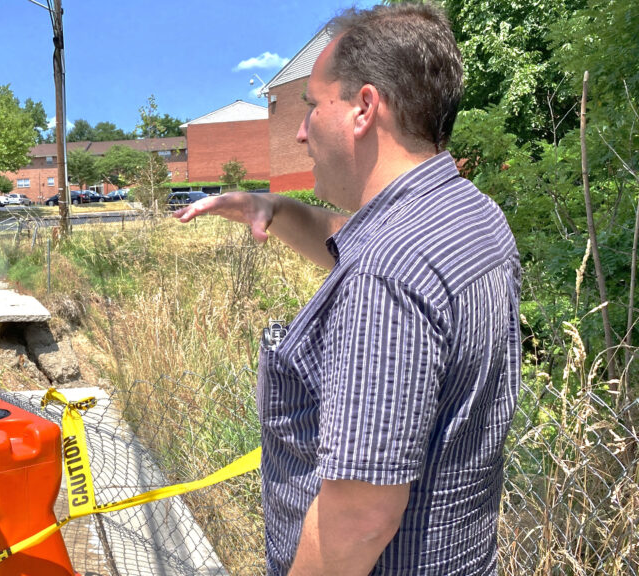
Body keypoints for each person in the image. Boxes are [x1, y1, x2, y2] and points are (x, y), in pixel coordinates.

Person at [176, 4, 520, 575]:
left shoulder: (385, 276)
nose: (300, 129)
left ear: (363, 108)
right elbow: (353, 241)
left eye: (313, 106)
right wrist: (276, 207)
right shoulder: (469, 214)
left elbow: (359, 518)